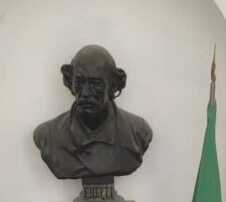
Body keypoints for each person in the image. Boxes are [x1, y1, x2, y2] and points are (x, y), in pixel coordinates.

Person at [33, 45, 153, 180]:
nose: (85, 93)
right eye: (79, 82)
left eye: (96, 83)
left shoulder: (138, 132)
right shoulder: (48, 135)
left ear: (113, 85)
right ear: (69, 82)